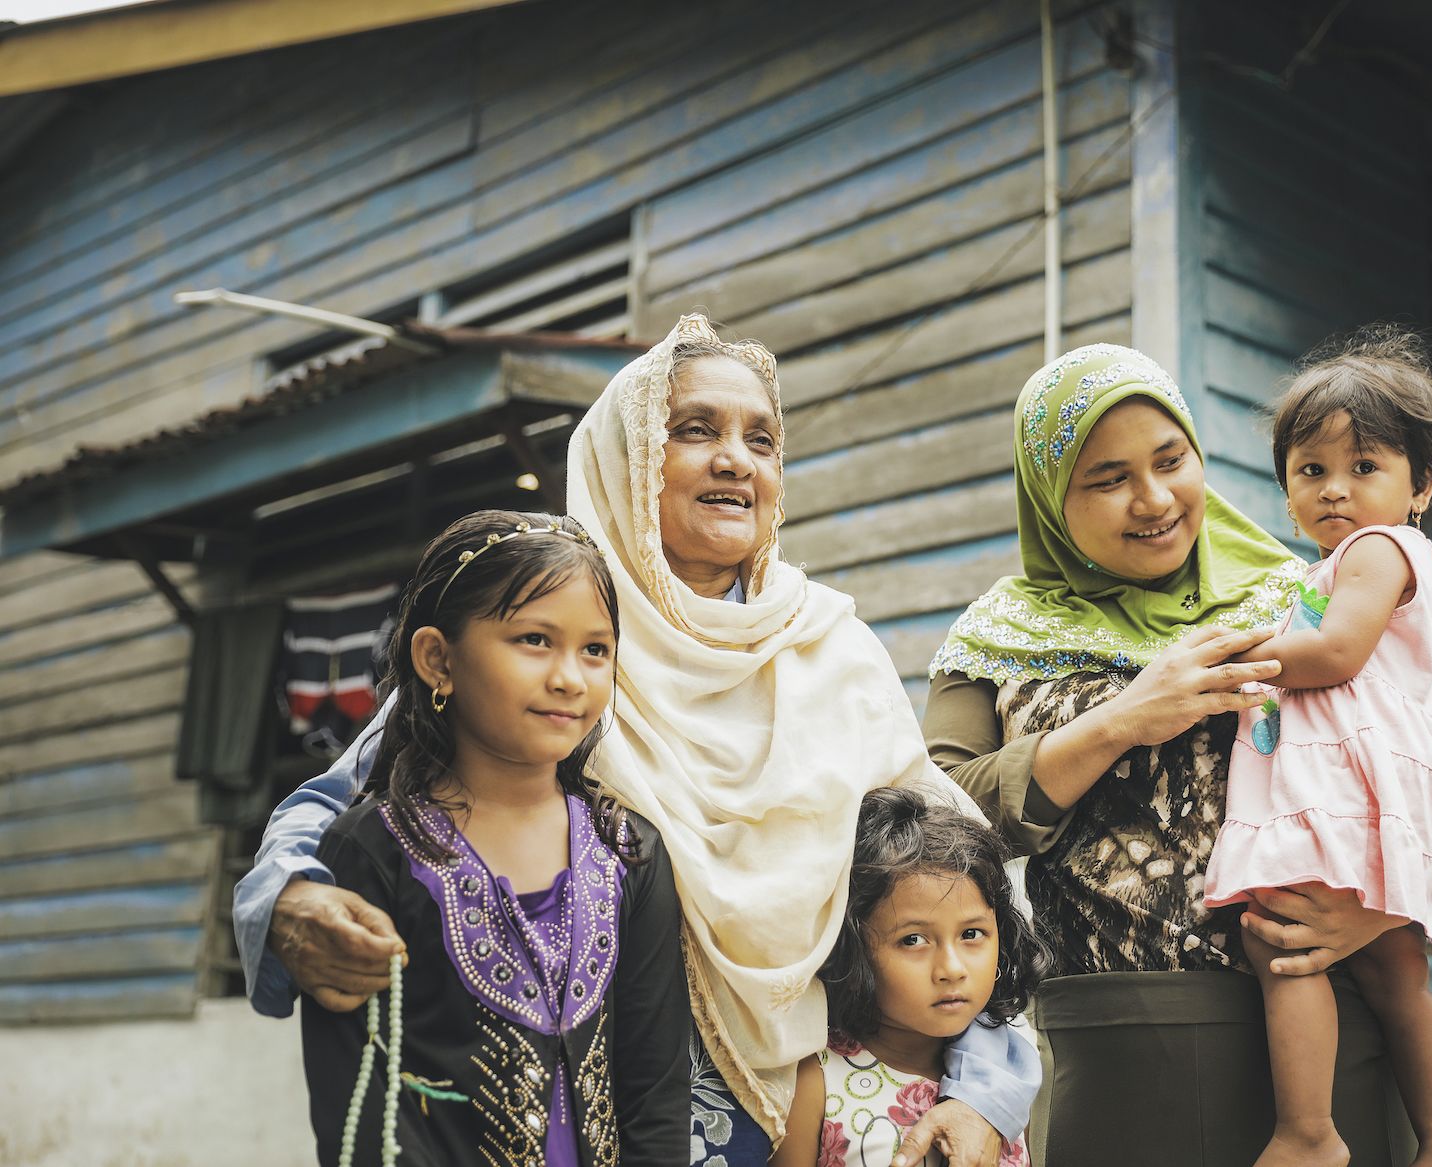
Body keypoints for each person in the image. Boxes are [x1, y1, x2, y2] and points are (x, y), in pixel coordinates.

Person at [236, 316, 1039, 1167]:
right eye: (695, 430)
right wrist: (287, 900)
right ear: (627, 457)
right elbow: (333, 807)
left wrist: (984, 1090)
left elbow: (960, 881)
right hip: (586, 1123)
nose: (735, 459)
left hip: (826, 1118)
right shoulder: (556, 636)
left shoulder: (833, 653)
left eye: (760, 439)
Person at [925, 343, 1418, 1167]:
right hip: (1118, 1051)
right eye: (1108, 478)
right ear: (1052, 499)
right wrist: (1120, 720)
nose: (1153, 499)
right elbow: (940, 821)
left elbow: (1429, 777)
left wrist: (1383, 910)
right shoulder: (997, 637)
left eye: (1170, 460)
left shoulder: (1311, 600)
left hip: (1325, 1042)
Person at [1203, 329, 1432, 1167]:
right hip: (1373, 789)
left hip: (1352, 789)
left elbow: (1337, 653)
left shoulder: (1379, 550)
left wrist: (1231, 657)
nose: (1336, 489)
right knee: (1396, 976)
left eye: (1364, 467)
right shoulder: (1343, 560)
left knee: (1283, 949)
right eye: (1311, 471)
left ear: (1423, 484)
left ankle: (1308, 1134)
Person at [300, 509, 688, 1166]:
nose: (570, 676)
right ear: (437, 658)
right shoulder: (374, 851)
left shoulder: (631, 852)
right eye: (535, 639)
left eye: (595, 649)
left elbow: (654, 1091)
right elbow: (363, 1110)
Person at [774, 789, 1051, 1167]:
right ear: (854, 948)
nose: (952, 968)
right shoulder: (816, 1080)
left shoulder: (1005, 1081)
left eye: (971, 934)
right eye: (913, 940)